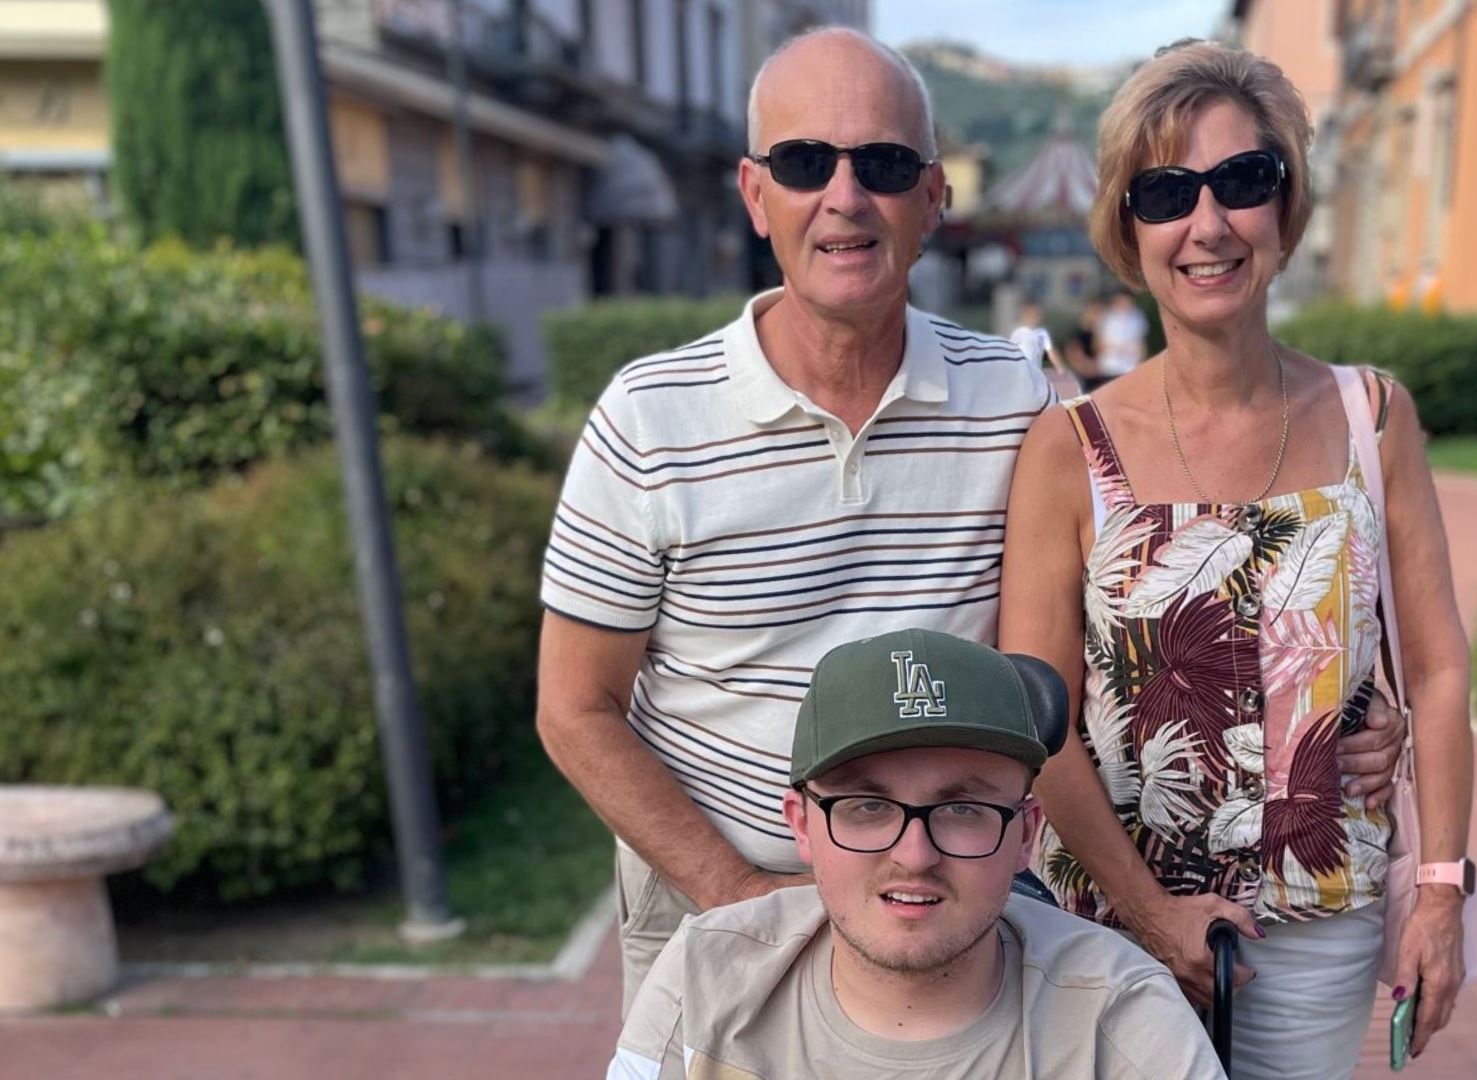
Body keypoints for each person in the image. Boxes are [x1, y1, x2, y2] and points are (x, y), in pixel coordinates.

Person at [535, 26, 1406, 1015]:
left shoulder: (1017, 400)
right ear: (755, 192)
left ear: (935, 197)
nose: (845, 197)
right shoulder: (649, 418)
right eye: (806, 162)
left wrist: (1333, 711)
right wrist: (740, 896)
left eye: (884, 164)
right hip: (715, 906)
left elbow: (1138, 607)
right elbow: (574, 708)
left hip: (947, 914)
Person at [998, 41, 1475, 1079]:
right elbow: (1040, 723)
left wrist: (1440, 890)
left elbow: (1438, 669)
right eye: (1168, 192)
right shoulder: (1069, 449)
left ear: (1286, 205)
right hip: (1109, 936)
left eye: (1242, 180)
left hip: (1316, 935)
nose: (1208, 224)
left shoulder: (1372, 416)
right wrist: (1151, 910)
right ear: (1129, 227)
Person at [607, 629, 1226, 1079]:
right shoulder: (705, 977)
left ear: (1025, 834)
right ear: (802, 825)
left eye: (963, 810)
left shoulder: (1120, 1020)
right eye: (867, 807)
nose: (914, 855)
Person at [1009, 299, 1082, 400]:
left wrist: (1061, 368)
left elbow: (1051, 352)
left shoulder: (1042, 333)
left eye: (1037, 315)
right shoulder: (1018, 332)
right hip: (1022, 373)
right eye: (1031, 314)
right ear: (1024, 315)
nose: (1034, 318)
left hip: (1035, 374)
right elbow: (1011, 352)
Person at [1094, 291, 1149, 380]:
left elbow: (1141, 343)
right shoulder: (1106, 318)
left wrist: (1141, 363)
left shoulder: (1138, 317)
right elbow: (1098, 343)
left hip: (1130, 367)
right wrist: (1116, 349)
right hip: (1110, 367)